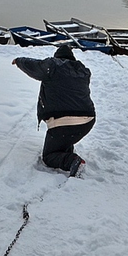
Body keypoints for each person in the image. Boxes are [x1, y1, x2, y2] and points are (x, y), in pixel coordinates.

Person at [12, 44, 95, 177]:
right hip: (88, 121)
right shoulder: (82, 71)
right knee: (64, 139)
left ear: (57, 57)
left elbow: (34, 66)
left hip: (64, 121)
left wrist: (19, 61)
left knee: (49, 156)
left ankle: (73, 161)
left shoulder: (53, 66)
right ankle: (67, 152)